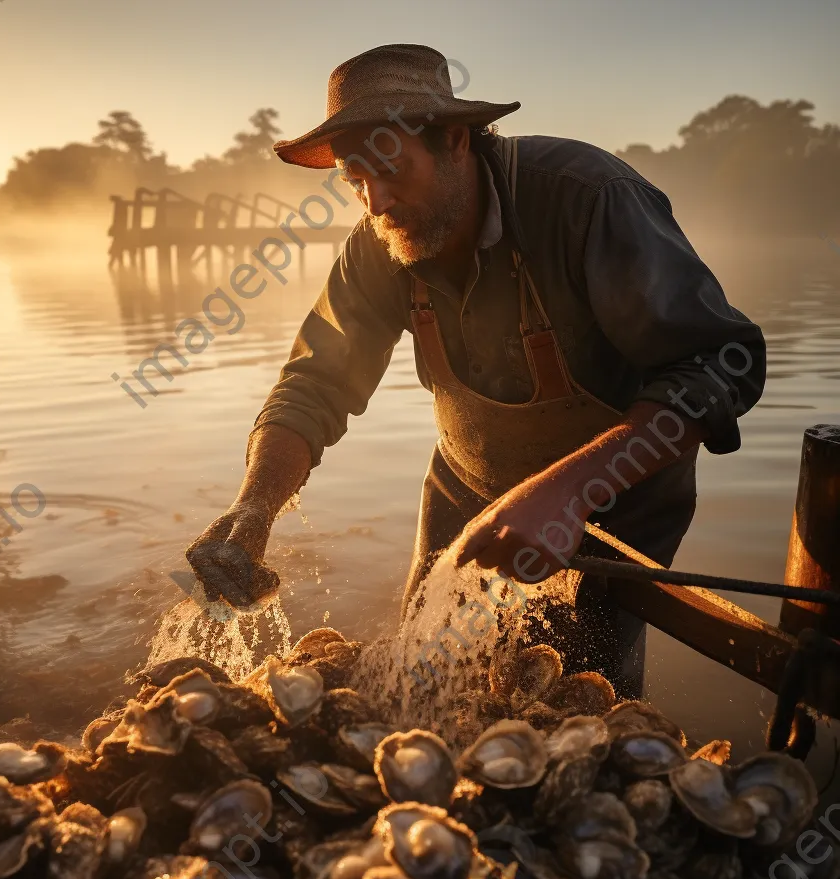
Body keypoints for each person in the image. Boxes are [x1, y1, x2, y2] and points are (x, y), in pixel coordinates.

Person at [186, 43, 766, 694]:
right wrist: (255, 506)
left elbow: (722, 363)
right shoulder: (378, 244)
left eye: (390, 169)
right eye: (354, 179)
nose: (375, 200)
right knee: (423, 682)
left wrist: (570, 492)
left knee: (571, 707)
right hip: (466, 487)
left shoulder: (588, 200)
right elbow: (313, 384)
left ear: (455, 140)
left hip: (615, 503)